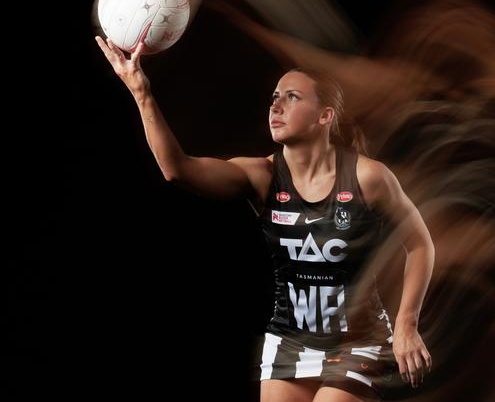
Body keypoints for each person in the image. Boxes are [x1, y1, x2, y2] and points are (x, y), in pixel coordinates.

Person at [94, 36, 435, 402]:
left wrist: (406, 324)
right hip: (290, 339)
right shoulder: (262, 176)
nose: (276, 105)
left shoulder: (369, 177)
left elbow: (419, 244)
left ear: (325, 116)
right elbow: (177, 169)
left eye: (292, 97)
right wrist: (141, 91)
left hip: (358, 342)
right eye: (275, 96)